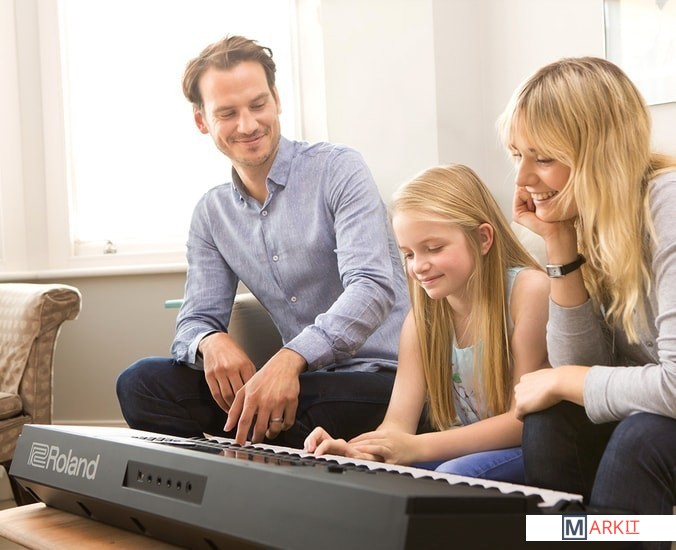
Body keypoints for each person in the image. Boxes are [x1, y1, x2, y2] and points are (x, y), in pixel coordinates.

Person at [116, 35, 409, 448]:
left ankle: (257, 461)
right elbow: (195, 319)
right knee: (141, 384)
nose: (248, 125)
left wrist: (291, 358)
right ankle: (225, 478)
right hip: (301, 386)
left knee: (299, 411)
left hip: (382, 381)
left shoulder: (338, 169)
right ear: (202, 121)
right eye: (228, 113)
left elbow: (372, 287)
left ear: (276, 99)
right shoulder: (212, 214)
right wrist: (209, 341)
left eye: (258, 105)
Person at [501, 57, 676, 528]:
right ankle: (570, 540)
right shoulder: (590, 221)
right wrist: (559, 242)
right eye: (518, 155)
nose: (521, 179)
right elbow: (583, 363)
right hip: (656, 418)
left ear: (601, 153)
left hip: (658, 424)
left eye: (543, 158)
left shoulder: (668, 203)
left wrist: (562, 380)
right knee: (551, 420)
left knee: (641, 437)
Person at [304, 164, 550, 483]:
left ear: (483, 238)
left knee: (450, 475)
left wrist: (418, 447)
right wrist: (359, 453)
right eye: (408, 254)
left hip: (528, 447)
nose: (418, 266)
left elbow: (522, 421)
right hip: (465, 452)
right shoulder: (422, 321)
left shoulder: (528, 291)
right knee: (385, 477)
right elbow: (397, 425)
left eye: (433, 249)